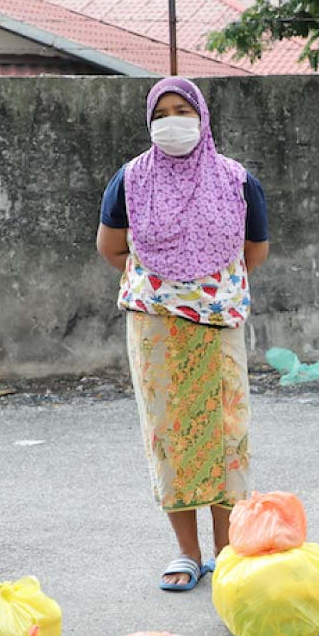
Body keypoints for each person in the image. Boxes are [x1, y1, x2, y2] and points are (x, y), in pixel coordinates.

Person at [95, 77, 269, 592]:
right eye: (161, 113)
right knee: (169, 433)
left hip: (218, 322)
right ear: (150, 124)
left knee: (225, 431)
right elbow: (111, 248)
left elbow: (254, 251)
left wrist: (204, 286)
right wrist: (167, 285)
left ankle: (226, 551)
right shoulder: (130, 180)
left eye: (182, 110)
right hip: (156, 324)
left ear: (203, 117)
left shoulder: (237, 180)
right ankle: (187, 553)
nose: (173, 122)